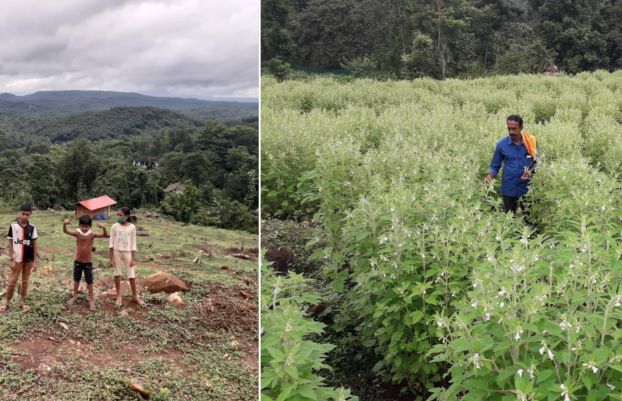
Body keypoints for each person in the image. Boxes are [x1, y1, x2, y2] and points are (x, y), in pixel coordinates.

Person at [484, 115, 538, 214]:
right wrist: (490, 176)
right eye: (509, 128)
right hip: (509, 187)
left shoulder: (531, 143)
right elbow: (495, 166)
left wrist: (530, 172)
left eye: (514, 129)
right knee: (509, 217)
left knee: (529, 218)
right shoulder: (501, 145)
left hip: (527, 188)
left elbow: (537, 163)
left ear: (521, 128)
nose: (511, 132)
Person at [63, 215, 108, 311]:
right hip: (78, 261)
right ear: (79, 225)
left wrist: (103, 227)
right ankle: (74, 296)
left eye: (86, 227)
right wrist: (64, 224)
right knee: (76, 280)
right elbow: (65, 231)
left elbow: (104, 235)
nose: (84, 228)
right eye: (82, 226)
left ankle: (91, 300)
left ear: (90, 227)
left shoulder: (92, 235)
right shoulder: (77, 234)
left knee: (90, 282)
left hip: (88, 263)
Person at [1, 204, 38, 313]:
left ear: (30, 215)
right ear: (19, 213)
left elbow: (35, 244)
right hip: (17, 259)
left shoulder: (32, 227)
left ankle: (22, 302)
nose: (25, 216)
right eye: (23, 214)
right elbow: (10, 243)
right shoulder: (13, 226)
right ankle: (7, 303)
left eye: (27, 214)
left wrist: (35, 260)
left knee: (25, 281)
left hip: (28, 259)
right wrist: (11, 259)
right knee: (12, 281)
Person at [109, 207, 145, 307]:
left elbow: (133, 243)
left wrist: (133, 258)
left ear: (127, 216)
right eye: (118, 215)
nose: (118, 217)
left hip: (127, 252)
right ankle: (119, 295)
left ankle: (134, 296)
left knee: (131, 274)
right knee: (117, 273)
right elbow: (111, 243)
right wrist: (111, 258)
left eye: (120, 215)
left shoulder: (132, 227)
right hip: (116, 251)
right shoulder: (114, 226)